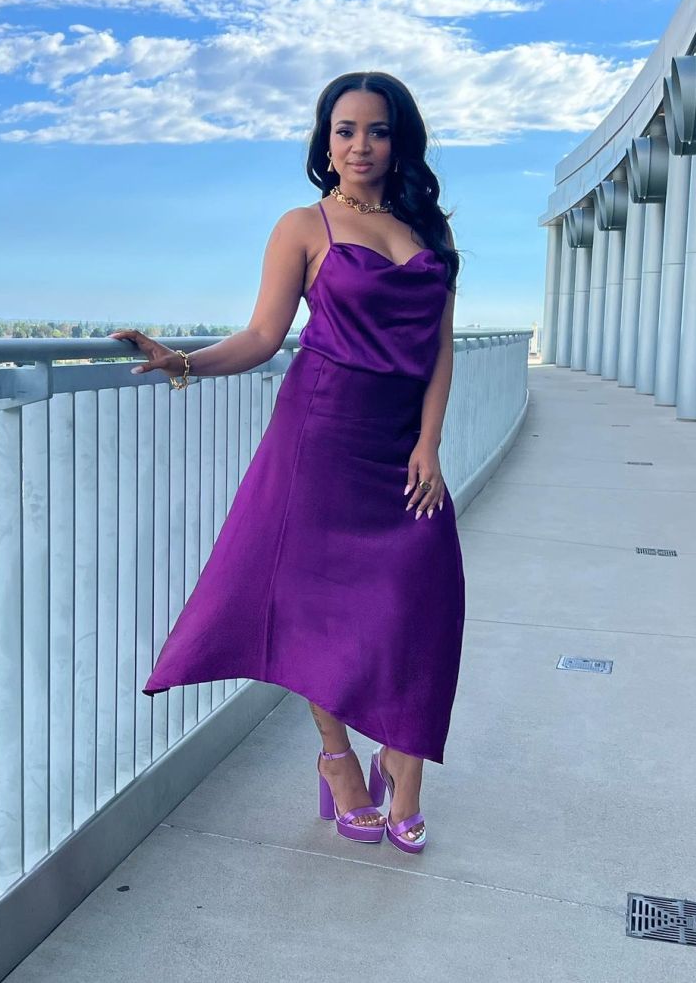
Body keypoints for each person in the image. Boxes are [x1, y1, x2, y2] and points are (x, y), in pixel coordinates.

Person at [110, 70, 465, 855]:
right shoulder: (304, 225)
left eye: (377, 130)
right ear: (324, 142)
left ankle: (402, 762)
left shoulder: (429, 229)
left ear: (399, 140)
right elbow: (262, 337)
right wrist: (183, 363)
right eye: (345, 130)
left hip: (403, 448)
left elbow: (438, 348)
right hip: (320, 437)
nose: (360, 145)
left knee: (421, 603)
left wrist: (429, 441)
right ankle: (338, 759)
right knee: (313, 606)